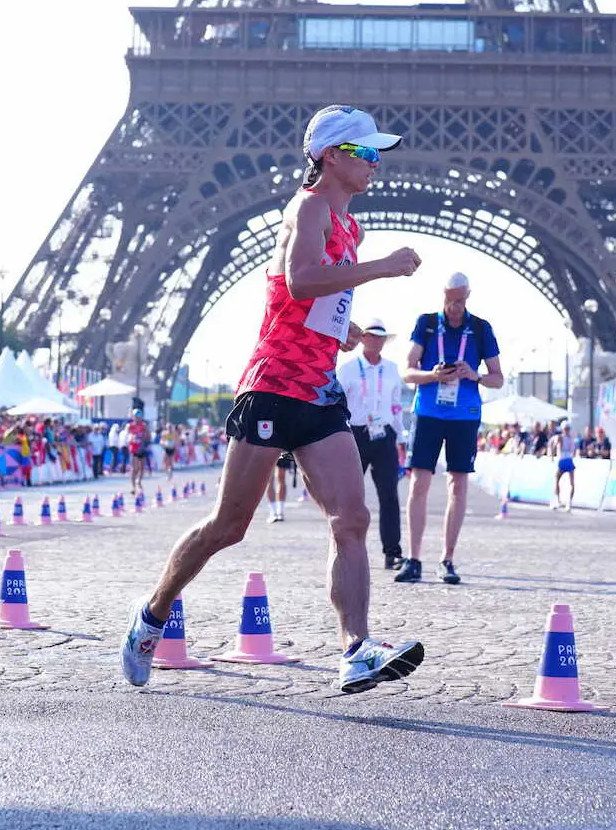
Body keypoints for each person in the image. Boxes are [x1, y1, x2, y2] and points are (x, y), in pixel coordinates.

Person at [119, 104, 424, 693]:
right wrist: (380, 269)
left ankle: (355, 649)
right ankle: (151, 615)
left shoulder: (350, 225)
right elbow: (303, 277)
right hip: (272, 387)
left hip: (318, 390)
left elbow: (314, 299)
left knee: (352, 519)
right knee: (229, 526)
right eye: (365, 152)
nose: (376, 163)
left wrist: (349, 329)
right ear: (332, 156)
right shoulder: (307, 207)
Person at [395, 273, 502, 585]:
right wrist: (433, 375)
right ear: (442, 295)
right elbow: (407, 372)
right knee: (419, 484)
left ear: (467, 297)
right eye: (449, 300)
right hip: (428, 411)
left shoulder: (481, 328)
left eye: (459, 301)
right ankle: (413, 558)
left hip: (464, 415)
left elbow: (498, 378)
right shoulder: (426, 324)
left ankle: (447, 559)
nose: (454, 307)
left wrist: (475, 375)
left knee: (458, 485)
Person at [337, 317, 405, 570]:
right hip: (355, 433)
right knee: (351, 496)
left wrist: (400, 437)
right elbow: (338, 403)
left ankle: (392, 551)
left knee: (389, 494)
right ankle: (346, 548)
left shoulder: (392, 369)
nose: (377, 341)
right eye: (372, 336)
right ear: (363, 338)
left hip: (384, 433)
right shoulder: (348, 369)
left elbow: (396, 405)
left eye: (381, 337)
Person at [549, 420, 577, 511]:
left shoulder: (560, 437)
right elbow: (574, 450)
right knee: (571, 483)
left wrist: (552, 455)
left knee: (556, 479)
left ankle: (558, 501)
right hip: (569, 459)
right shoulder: (572, 438)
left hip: (562, 460)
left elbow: (554, 444)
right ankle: (568, 504)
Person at [266, 451, 294, 523]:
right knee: (269, 479)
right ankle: (273, 512)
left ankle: (280, 511)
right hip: (267, 445)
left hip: (282, 448)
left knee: (281, 477)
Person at [128, 408, 150, 493]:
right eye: (136, 416)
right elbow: (129, 437)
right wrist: (133, 438)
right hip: (134, 449)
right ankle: (133, 487)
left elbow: (148, 437)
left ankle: (139, 482)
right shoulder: (130, 426)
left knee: (142, 468)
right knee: (134, 469)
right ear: (133, 417)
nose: (137, 418)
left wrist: (144, 435)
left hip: (142, 448)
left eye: (139, 416)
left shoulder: (144, 425)